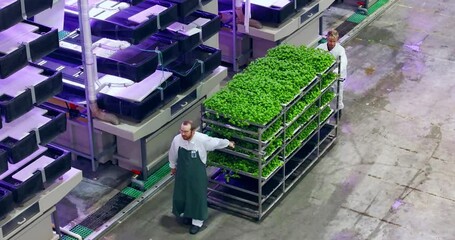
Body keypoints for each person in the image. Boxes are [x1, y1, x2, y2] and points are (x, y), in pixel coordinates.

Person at [169, 120, 235, 235]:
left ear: (193, 131)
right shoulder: (177, 139)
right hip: (182, 174)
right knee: (183, 194)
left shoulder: (202, 139)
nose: (183, 134)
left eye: (186, 131)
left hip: (197, 174)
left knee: (197, 196)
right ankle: (187, 214)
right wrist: (173, 166)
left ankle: (197, 223)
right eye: (181, 131)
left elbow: (216, 142)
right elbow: (173, 153)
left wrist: (228, 142)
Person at [316, 29, 348, 118]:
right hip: (325, 76)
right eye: (330, 41)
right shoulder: (320, 48)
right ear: (327, 39)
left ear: (337, 40)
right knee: (325, 93)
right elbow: (313, 56)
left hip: (338, 76)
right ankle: (326, 110)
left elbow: (344, 63)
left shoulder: (340, 50)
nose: (332, 43)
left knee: (338, 93)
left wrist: (334, 72)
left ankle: (339, 109)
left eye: (334, 41)